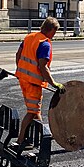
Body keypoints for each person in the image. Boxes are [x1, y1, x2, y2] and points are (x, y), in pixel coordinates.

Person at [14, 17, 65, 146]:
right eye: (55, 32)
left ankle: (43, 135)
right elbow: (43, 67)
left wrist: (20, 70)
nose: (54, 35)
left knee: (35, 110)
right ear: (50, 30)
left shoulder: (29, 37)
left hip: (23, 79)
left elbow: (18, 55)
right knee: (31, 112)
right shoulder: (44, 44)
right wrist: (54, 84)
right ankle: (21, 140)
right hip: (33, 83)